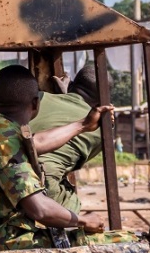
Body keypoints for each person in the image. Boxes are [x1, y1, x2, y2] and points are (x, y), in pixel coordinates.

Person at [0, 66, 113, 252]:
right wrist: (84, 220)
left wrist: (83, 125)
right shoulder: (5, 142)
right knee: (118, 241)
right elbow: (40, 210)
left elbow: (36, 142)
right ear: (36, 104)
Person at [27, 64, 110, 212]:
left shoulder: (39, 98)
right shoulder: (100, 128)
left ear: (72, 84)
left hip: (9, 174)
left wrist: (65, 95)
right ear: (101, 102)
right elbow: (72, 163)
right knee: (73, 203)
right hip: (45, 189)